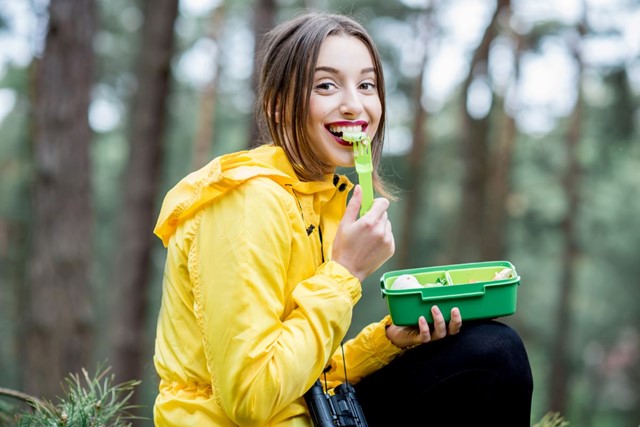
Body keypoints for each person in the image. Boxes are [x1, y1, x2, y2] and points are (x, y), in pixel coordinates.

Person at [152, 11, 533, 427]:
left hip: (308, 413)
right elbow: (252, 395)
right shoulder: (247, 202)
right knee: (495, 354)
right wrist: (345, 272)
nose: (355, 104)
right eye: (327, 85)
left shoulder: (321, 197)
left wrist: (388, 342)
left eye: (367, 84)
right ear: (278, 106)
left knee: (490, 351)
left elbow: (306, 373)